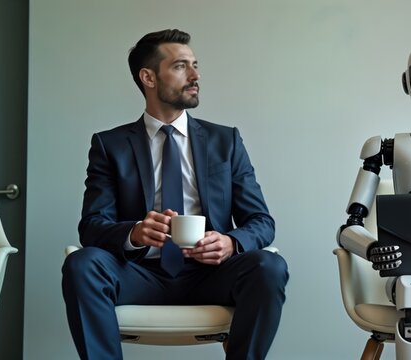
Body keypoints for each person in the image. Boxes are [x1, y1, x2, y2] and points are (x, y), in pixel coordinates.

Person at [62, 28, 288, 360]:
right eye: (181, 66)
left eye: (195, 65)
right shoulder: (110, 146)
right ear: (148, 77)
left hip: (211, 274)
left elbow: (261, 221)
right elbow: (92, 226)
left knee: (269, 265)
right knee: (82, 264)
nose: (196, 75)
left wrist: (231, 243)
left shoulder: (225, 141)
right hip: (139, 274)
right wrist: (134, 232)